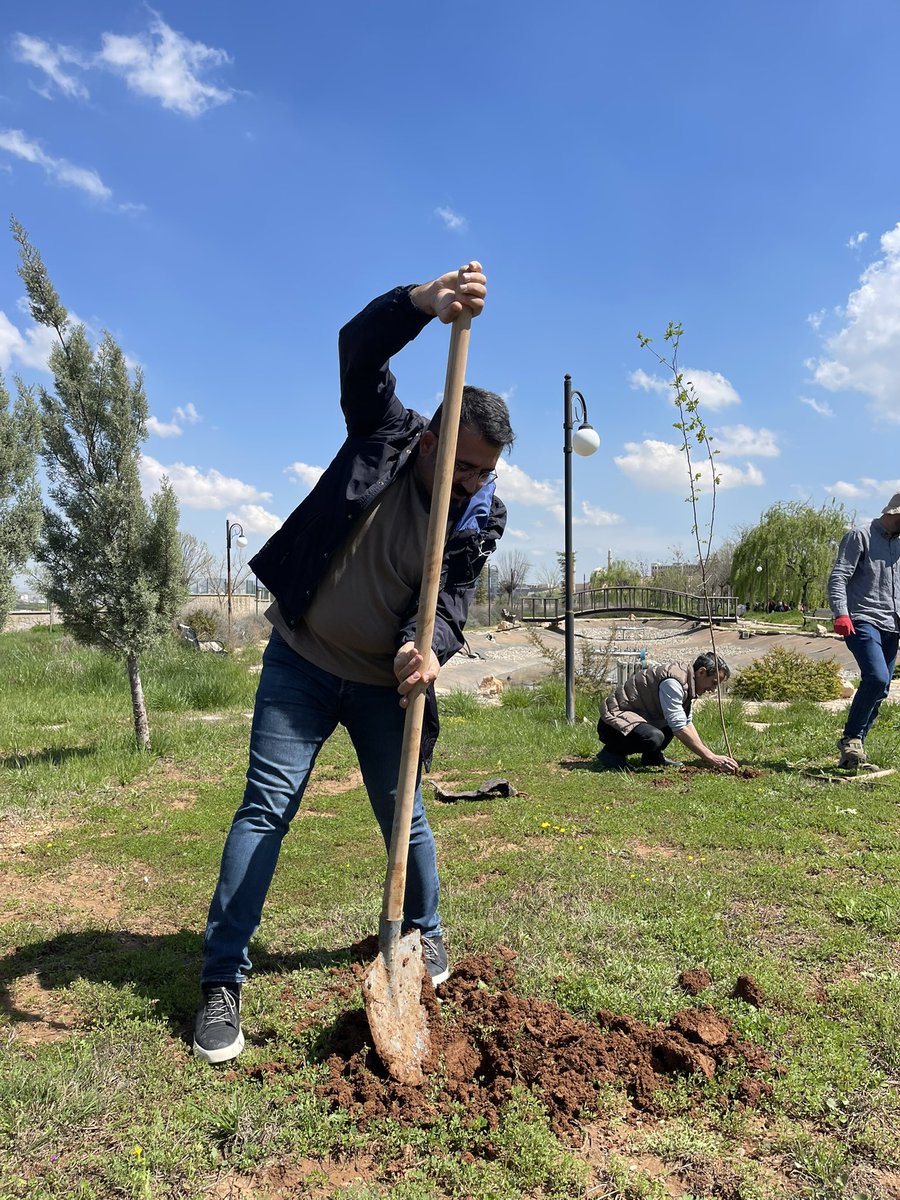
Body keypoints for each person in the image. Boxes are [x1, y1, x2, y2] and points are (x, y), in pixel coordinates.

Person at [193, 262, 514, 1064]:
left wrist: (425, 648)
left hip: (382, 685)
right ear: (435, 435)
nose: (471, 482)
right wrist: (419, 304)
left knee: (404, 818)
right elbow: (358, 351)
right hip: (300, 661)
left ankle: (425, 936)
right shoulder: (384, 433)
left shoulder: (479, 515)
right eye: (464, 464)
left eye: (484, 474)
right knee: (265, 809)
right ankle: (221, 980)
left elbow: (448, 604)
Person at [827, 493, 900, 770]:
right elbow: (839, 575)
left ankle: (853, 754)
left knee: (881, 689)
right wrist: (841, 612)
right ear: (896, 514)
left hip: (893, 625)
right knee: (876, 676)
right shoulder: (860, 537)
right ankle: (851, 738)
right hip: (862, 620)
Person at [596, 652, 739, 773]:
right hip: (614, 724)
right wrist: (711, 757)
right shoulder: (673, 682)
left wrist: (707, 755)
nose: (713, 690)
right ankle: (611, 753)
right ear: (701, 672)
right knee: (654, 737)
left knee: (671, 723)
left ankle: (652, 757)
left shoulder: (688, 683)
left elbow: (686, 722)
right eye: (713, 683)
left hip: (637, 718)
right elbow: (679, 728)